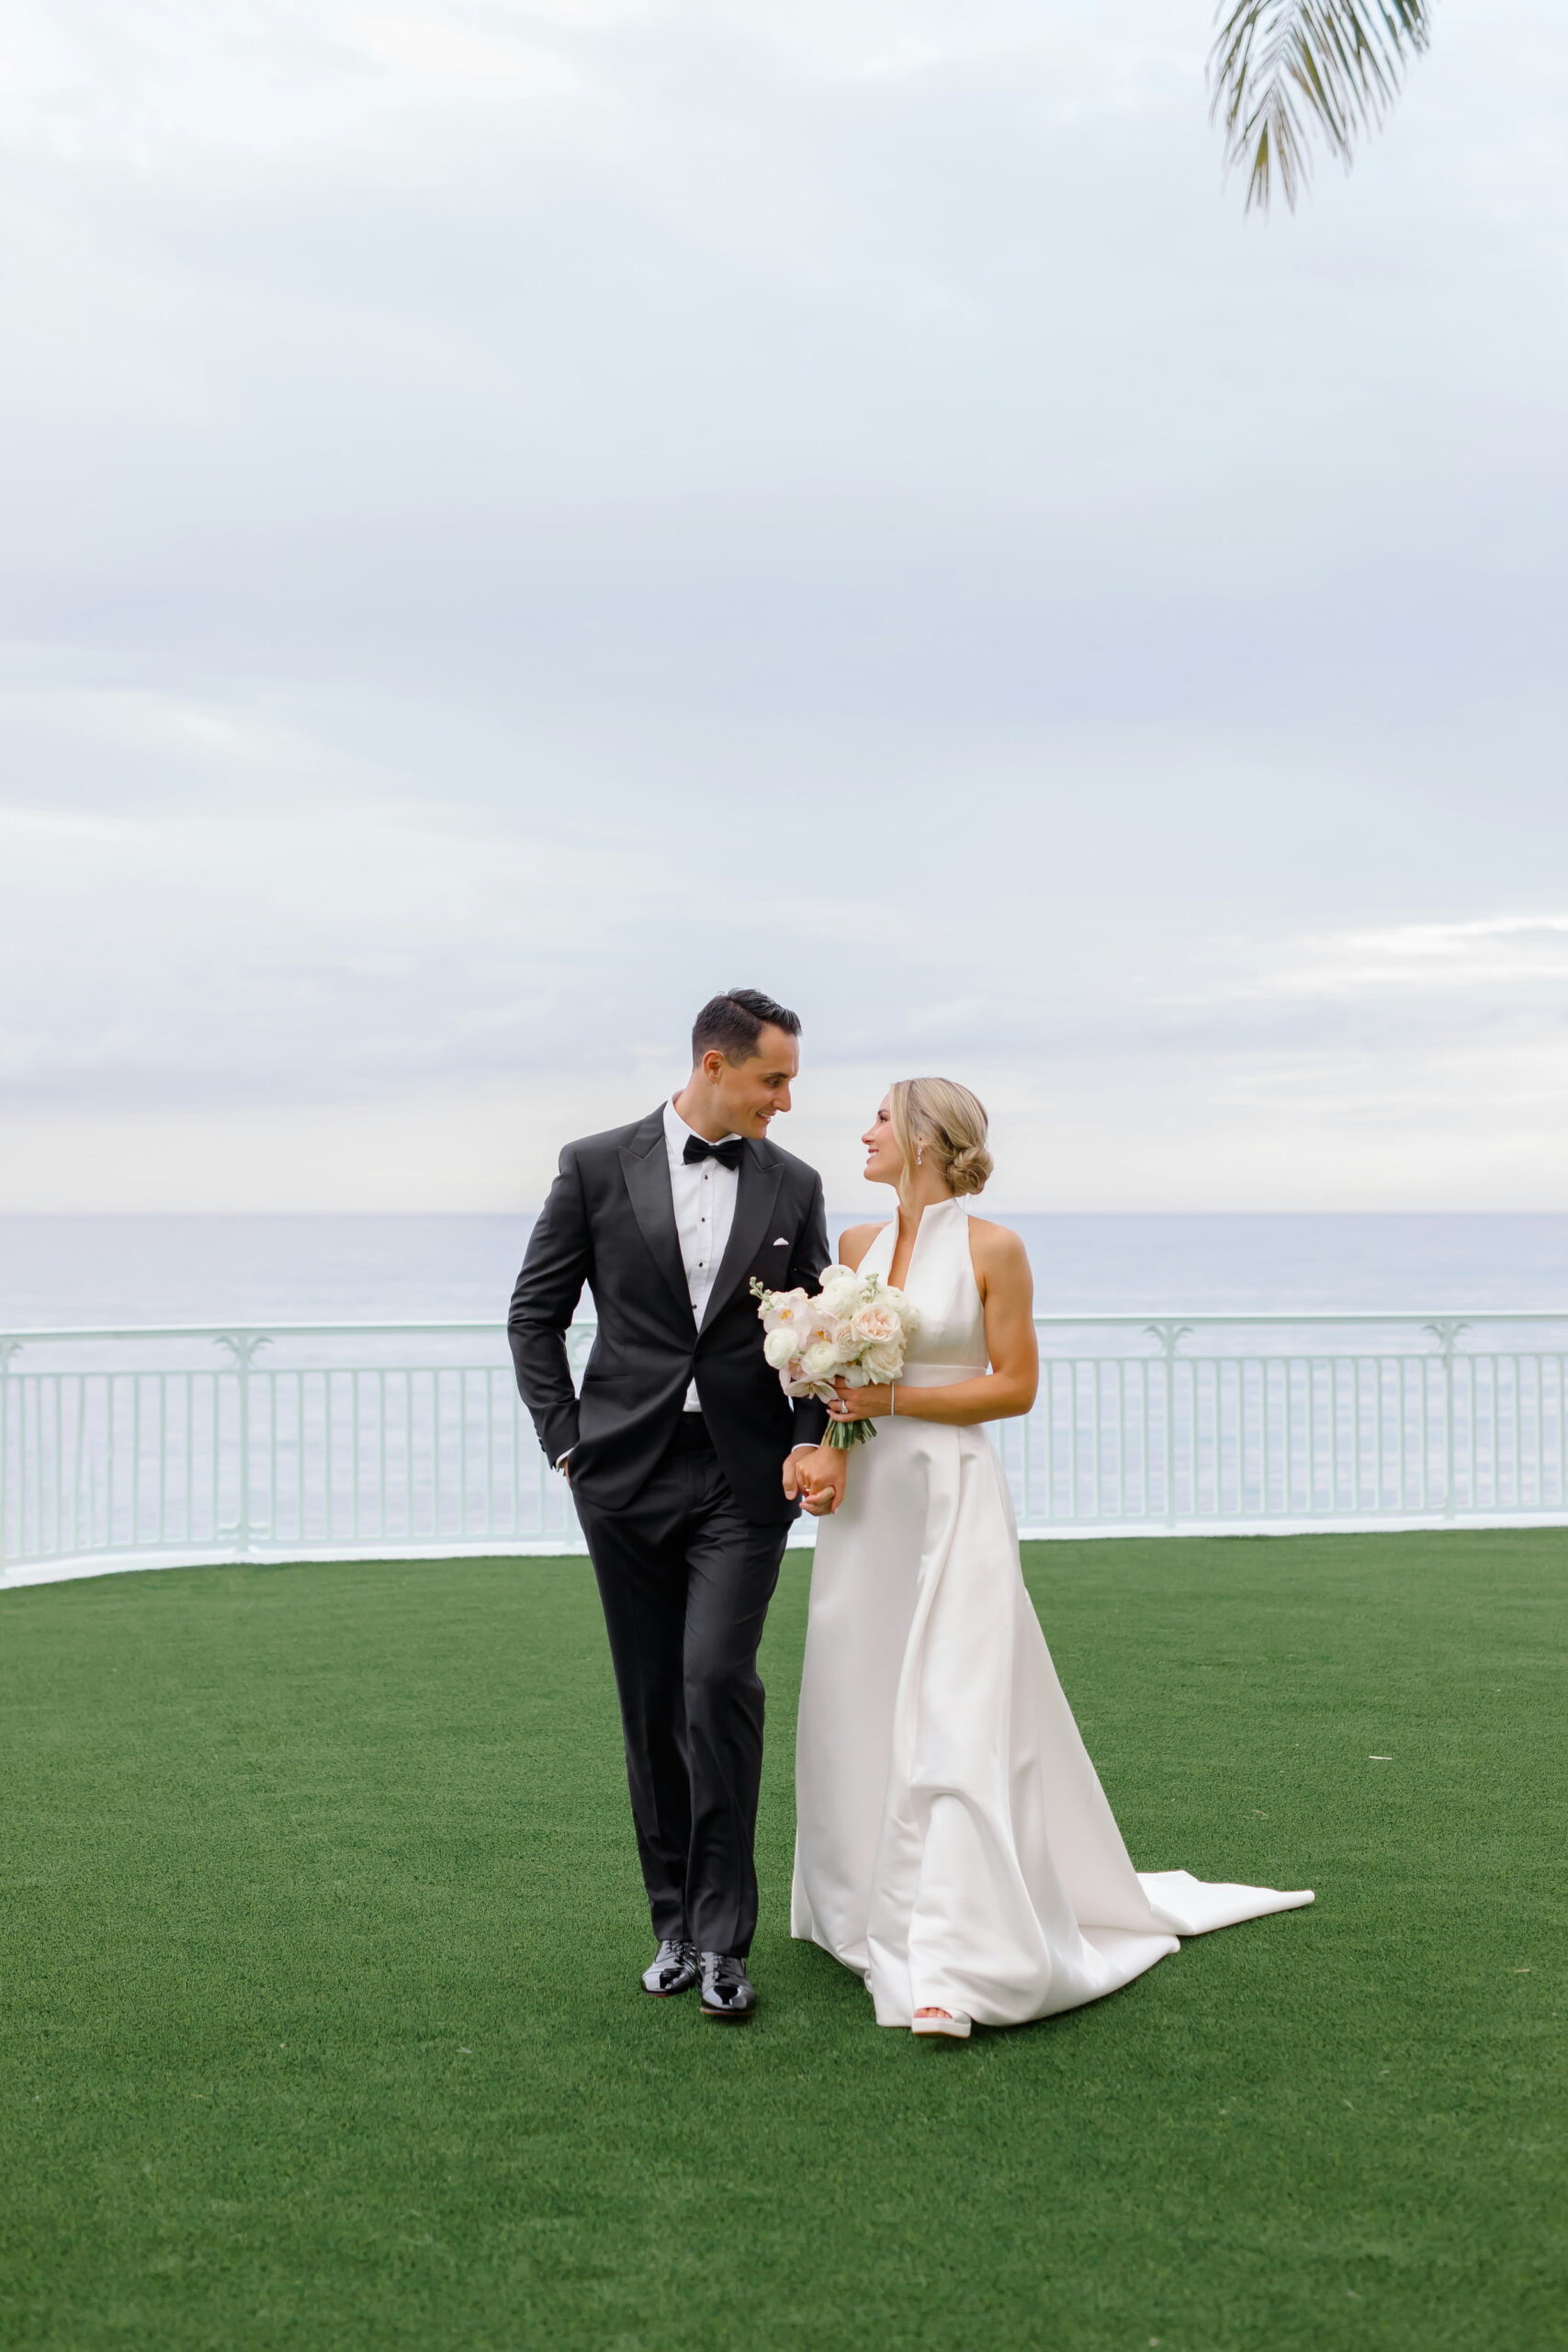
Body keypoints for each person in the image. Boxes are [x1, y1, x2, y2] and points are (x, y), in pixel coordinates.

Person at [788, 1078, 1313, 2037]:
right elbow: (846, 1382)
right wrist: (825, 1448)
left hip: (952, 1491)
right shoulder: (858, 1246)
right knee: (856, 1685)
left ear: (924, 1137)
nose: (861, 1132)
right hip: (869, 1500)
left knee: (958, 1699)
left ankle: (951, 1956)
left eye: (878, 1118)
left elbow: (1014, 1386)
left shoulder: (997, 1249)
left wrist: (894, 1406)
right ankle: (857, 1900)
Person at [508, 989, 829, 2021]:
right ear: (714, 1064)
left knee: (714, 1680)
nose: (785, 1099)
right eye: (773, 1079)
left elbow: (821, 1331)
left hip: (746, 1480)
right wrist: (568, 1446)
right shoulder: (594, 1164)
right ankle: (675, 1928)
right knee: (651, 1701)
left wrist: (811, 1441)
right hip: (625, 1476)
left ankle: (727, 1941)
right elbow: (534, 1315)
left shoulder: (794, 1183)